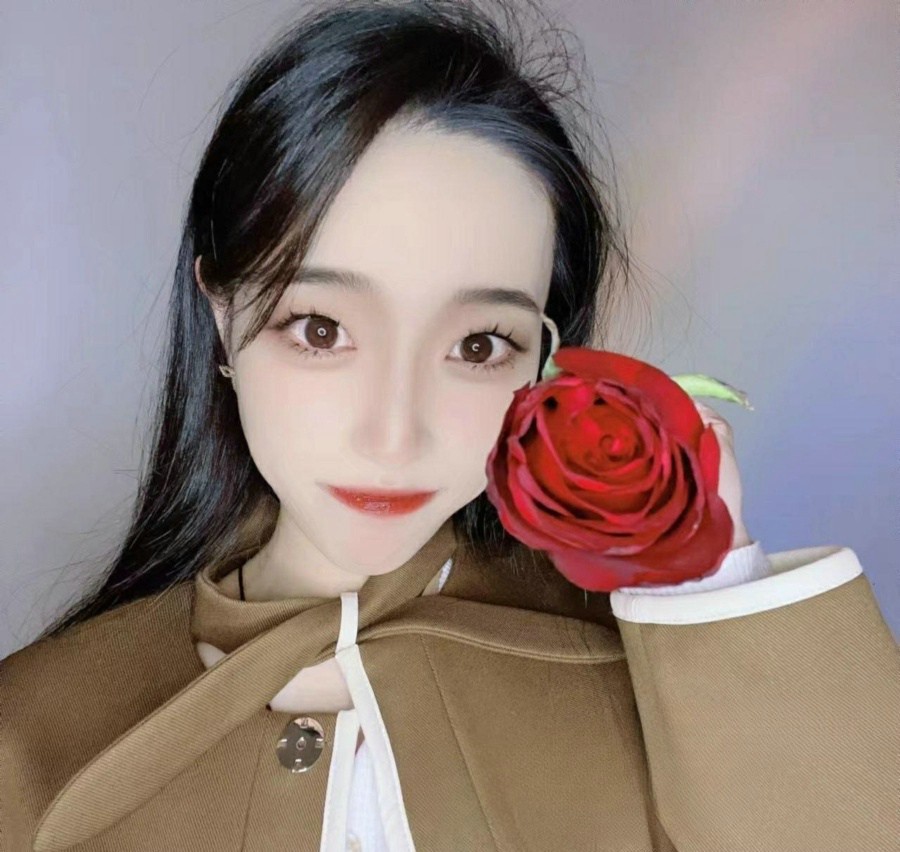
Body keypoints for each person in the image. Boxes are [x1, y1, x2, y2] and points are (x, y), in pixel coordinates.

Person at [2, 1, 898, 850]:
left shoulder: (659, 679)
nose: (395, 435)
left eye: (478, 344)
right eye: (321, 330)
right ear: (222, 314)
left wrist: (712, 582)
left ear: (546, 357)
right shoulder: (35, 733)